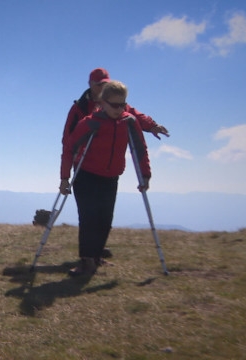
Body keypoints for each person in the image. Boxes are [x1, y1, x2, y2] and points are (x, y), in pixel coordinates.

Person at [60, 81, 151, 276]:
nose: (119, 109)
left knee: (105, 219)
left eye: (122, 104)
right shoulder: (90, 122)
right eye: (114, 105)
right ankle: (86, 261)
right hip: (86, 175)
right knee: (89, 218)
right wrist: (64, 178)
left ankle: (96, 256)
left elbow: (140, 149)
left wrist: (145, 175)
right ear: (103, 102)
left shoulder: (129, 122)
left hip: (111, 177)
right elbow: (69, 149)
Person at [63, 68, 169, 141]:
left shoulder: (116, 103)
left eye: (105, 84)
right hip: (84, 161)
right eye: (99, 84)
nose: (102, 87)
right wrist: (66, 168)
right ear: (90, 84)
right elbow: (68, 137)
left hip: (110, 159)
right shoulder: (79, 107)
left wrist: (152, 126)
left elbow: (134, 115)